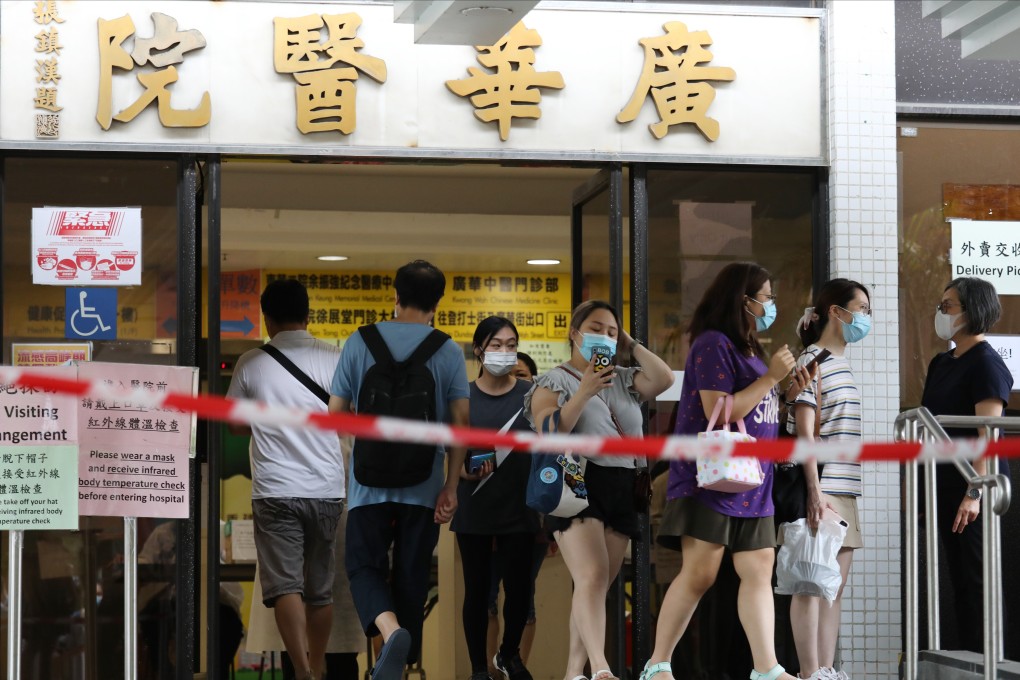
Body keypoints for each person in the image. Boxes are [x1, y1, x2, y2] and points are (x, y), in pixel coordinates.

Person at [647, 262, 797, 680]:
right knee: (701, 572)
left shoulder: (751, 348)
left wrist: (786, 389)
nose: (770, 305)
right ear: (742, 300)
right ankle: (658, 662)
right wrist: (771, 378)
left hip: (753, 478)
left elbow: (758, 409)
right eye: (765, 297)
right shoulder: (712, 344)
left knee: (759, 566)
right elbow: (721, 409)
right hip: (711, 477)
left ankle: (767, 667)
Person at [329, 260, 469, 680]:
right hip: (423, 485)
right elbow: (461, 425)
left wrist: (363, 444)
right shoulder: (447, 349)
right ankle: (402, 661)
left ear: (395, 295)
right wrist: (451, 486)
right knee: (410, 574)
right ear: (437, 303)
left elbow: (335, 413)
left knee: (363, 567)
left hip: (368, 486)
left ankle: (389, 632)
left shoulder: (360, 341)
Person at [526, 300, 674, 680]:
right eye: (596, 329)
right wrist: (583, 392)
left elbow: (663, 378)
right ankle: (602, 668)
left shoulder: (624, 378)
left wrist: (628, 342)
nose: (604, 337)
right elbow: (548, 431)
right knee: (591, 576)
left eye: (611, 331)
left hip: (625, 483)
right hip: (578, 480)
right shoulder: (553, 379)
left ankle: (574, 671)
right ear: (575, 334)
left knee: (596, 585)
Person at [227, 279, 344, 680]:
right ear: (308, 314)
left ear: (267, 318)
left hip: (275, 490)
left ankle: (302, 670)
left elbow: (237, 426)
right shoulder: (335, 358)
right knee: (319, 588)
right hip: (327, 488)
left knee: (285, 587)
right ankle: (319, 660)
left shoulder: (250, 363)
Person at [784, 279, 871, 680]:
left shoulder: (841, 364)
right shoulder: (812, 361)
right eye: (862, 309)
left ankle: (826, 669)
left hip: (845, 490)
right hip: (822, 488)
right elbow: (803, 434)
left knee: (832, 589)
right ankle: (809, 672)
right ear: (837, 312)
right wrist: (815, 494)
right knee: (811, 585)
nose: (866, 318)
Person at [921, 276, 1013, 653]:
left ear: (972, 311)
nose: (941, 313)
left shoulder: (987, 364)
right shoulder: (942, 361)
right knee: (959, 579)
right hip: (942, 485)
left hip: (976, 489)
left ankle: (989, 661)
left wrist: (973, 493)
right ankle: (969, 662)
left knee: (979, 580)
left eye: (949, 306)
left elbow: (987, 436)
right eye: (941, 305)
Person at [453, 316, 541, 680]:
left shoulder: (532, 394)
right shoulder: (462, 397)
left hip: (519, 505)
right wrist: (462, 472)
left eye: (510, 344)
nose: (505, 352)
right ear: (478, 351)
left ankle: (509, 655)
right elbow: (450, 450)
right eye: (496, 345)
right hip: (475, 504)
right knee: (476, 592)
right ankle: (477, 668)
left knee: (519, 589)